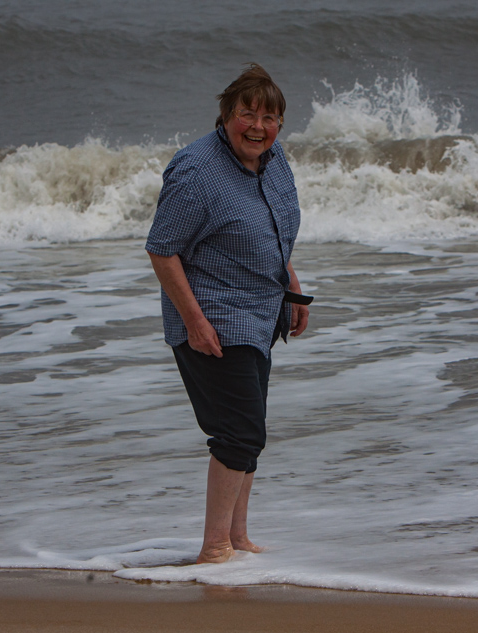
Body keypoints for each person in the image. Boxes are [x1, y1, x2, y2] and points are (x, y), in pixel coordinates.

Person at [145, 63, 309, 564]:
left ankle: (237, 538)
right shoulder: (197, 170)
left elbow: (272, 227)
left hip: (261, 310)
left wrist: (290, 285)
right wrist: (194, 321)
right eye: (247, 114)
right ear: (226, 114)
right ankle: (214, 546)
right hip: (214, 315)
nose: (258, 126)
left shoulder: (273, 157)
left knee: (250, 428)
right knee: (239, 432)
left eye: (270, 117)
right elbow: (161, 249)